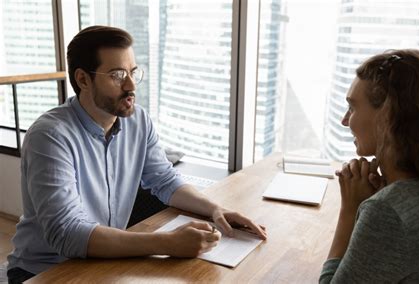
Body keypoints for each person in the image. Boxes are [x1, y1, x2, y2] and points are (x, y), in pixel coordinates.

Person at [7, 25, 267, 283]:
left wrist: (216, 210)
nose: (131, 85)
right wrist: (167, 243)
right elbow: (67, 233)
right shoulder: (50, 136)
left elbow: (164, 179)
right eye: (118, 75)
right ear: (83, 79)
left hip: (104, 262)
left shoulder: (138, 120)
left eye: (133, 72)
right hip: (43, 272)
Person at [319, 49, 419, 283]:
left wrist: (350, 211)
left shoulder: (388, 212)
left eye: (352, 107)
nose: (344, 120)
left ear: (388, 116)